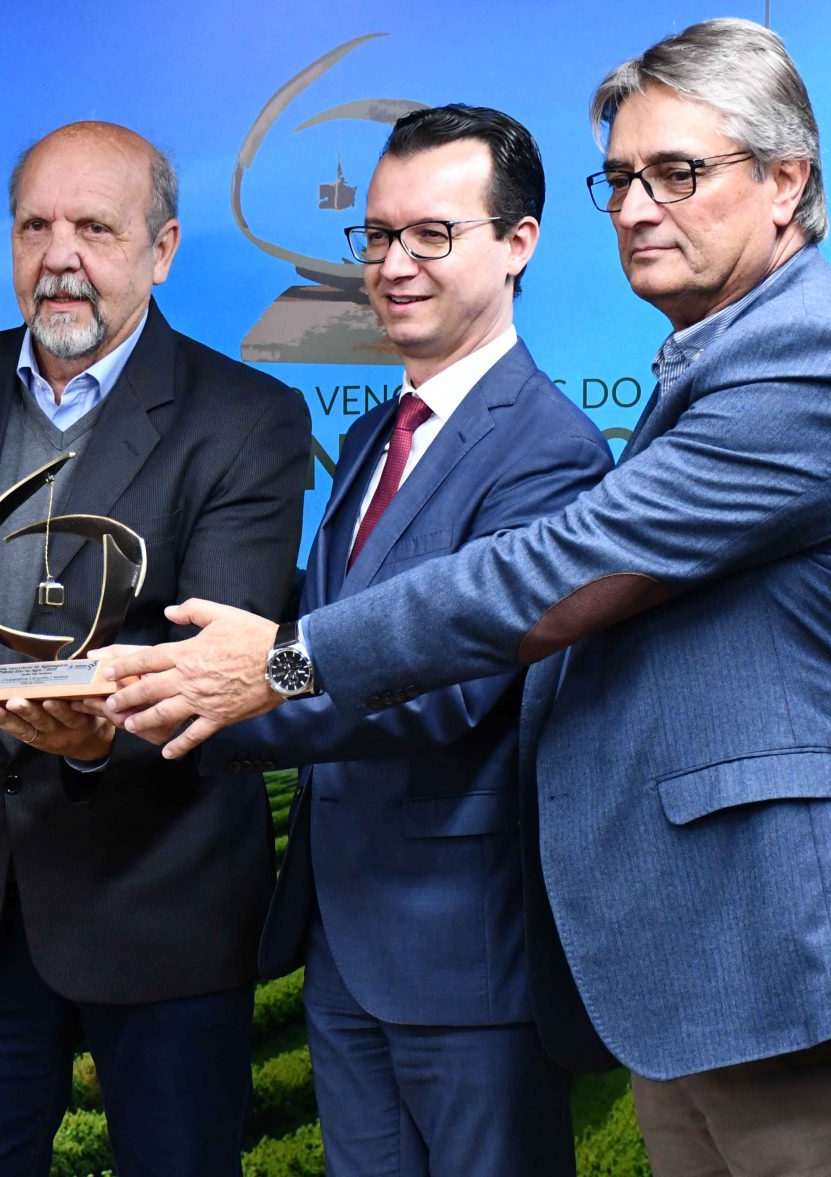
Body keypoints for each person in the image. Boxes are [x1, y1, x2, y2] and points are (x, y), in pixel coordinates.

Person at [101, 20, 831, 1177]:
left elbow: (553, 573)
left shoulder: (812, 360)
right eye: (618, 179)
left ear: (785, 182)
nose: (634, 209)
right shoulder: (708, 362)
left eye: (676, 173)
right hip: (711, 967)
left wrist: (280, 663)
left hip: (805, 955)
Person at [0, 121, 309, 1176]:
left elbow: (222, 666)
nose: (59, 257)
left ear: (162, 249)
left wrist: (99, 743)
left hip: (161, 904)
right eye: (34, 227)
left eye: (95, 228)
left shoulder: (246, 420)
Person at [198, 104, 612, 1176]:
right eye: (378, 235)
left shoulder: (551, 453)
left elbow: (444, 686)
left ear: (517, 243)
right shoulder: (369, 434)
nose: (392, 265)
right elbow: (318, 626)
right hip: (342, 937)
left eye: (432, 234)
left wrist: (214, 697)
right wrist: (162, 682)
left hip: (467, 955)